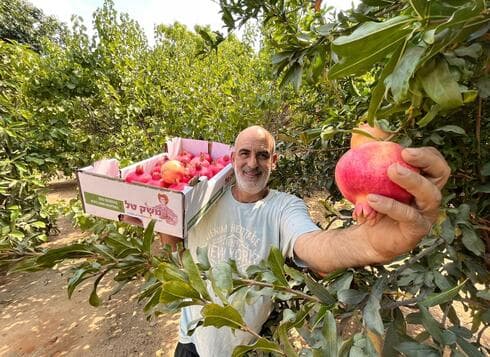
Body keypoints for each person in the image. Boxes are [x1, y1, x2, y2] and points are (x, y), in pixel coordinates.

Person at [156, 125, 450, 357]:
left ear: (275, 161)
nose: (252, 163)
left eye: (262, 155)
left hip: (248, 345)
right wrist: (154, 215)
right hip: (191, 340)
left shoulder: (285, 207)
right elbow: (173, 246)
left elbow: (311, 245)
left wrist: (368, 245)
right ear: (232, 158)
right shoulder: (201, 197)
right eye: (244, 153)